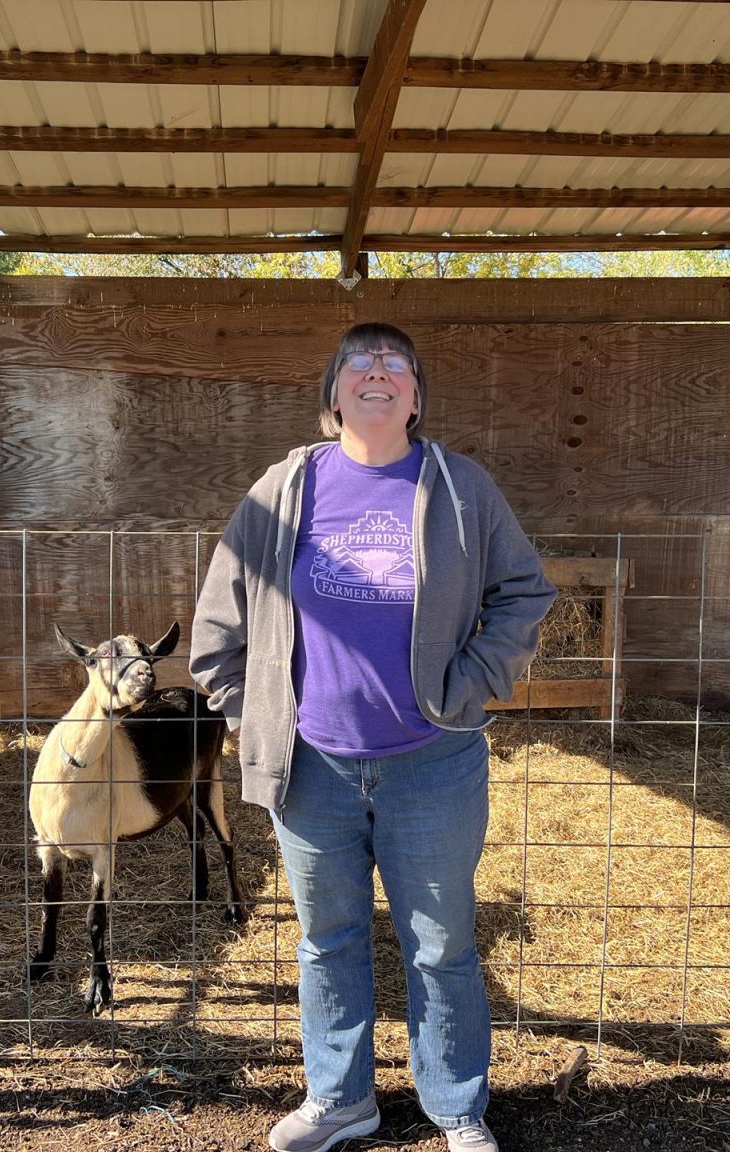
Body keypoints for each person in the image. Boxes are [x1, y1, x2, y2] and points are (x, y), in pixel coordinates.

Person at [190, 323, 556, 1152]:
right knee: (327, 940)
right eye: (361, 360)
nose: (379, 370)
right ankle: (342, 1099)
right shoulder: (282, 491)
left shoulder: (461, 488)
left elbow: (524, 595)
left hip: (432, 764)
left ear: (417, 399)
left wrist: (468, 688)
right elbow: (219, 618)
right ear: (333, 399)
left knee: (442, 944)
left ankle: (456, 1106)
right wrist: (250, 709)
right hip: (310, 767)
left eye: (397, 363)